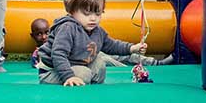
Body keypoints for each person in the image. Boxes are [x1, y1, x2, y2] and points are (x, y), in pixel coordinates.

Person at [37, 0, 149, 86]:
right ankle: (75, 85)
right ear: (71, 11)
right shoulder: (67, 28)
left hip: (75, 66)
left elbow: (112, 45)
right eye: (86, 14)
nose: (93, 18)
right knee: (83, 73)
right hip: (52, 71)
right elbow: (58, 54)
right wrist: (68, 76)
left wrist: (132, 48)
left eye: (98, 14)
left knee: (99, 64)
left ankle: (91, 89)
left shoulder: (97, 31)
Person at [30, 18, 173, 68]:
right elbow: (47, 59)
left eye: (46, 32)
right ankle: (127, 69)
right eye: (39, 34)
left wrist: (132, 47)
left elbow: (112, 45)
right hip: (89, 58)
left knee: (125, 54)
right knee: (106, 59)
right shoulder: (41, 52)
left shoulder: (90, 32)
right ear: (33, 36)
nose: (44, 37)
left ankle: (156, 63)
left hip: (92, 51)